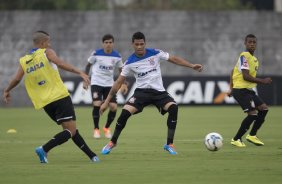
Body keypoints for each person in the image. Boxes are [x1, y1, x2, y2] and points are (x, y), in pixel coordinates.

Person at [2, 30, 99, 163]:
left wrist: (7, 90)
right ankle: (44, 149)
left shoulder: (24, 60)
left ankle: (92, 156)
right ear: (42, 43)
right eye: (48, 42)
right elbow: (59, 63)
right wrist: (80, 73)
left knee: (70, 130)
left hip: (46, 103)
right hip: (59, 96)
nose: (50, 44)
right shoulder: (47, 52)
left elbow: (17, 79)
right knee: (70, 130)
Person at [99, 31, 203, 155]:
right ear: (132, 44)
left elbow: (174, 59)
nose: (139, 47)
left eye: (141, 44)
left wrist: (191, 66)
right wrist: (106, 102)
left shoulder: (155, 53)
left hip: (159, 92)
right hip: (141, 93)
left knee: (174, 108)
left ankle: (169, 144)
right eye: (137, 44)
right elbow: (118, 83)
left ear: (145, 43)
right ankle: (113, 142)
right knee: (124, 113)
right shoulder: (129, 62)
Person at [228, 34, 272, 147]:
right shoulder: (244, 56)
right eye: (249, 42)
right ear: (245, 43)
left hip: (247, 90)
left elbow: (233, 71)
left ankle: (252, 135)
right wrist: (263, 81)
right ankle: (236, 139)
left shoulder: (255, 60)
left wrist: (229, 88)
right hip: (240, 90)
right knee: (252, 114)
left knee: (264, 109)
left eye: (254, 42)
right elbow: (245, 76)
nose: (252, 44)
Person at [84, 34, 128, 139]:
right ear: (103, 44)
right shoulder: (96, 54)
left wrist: (123, 83)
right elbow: (88, 65)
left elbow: (121, 70)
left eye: (110, 42)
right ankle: (96, 129)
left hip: (109, 84)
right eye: (106, 42)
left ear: (113, 43)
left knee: (113, 107)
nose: (108, 44)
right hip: (96, 82)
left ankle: (106, 128)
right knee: (97, 104)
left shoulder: (117, 56)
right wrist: (85, 79)